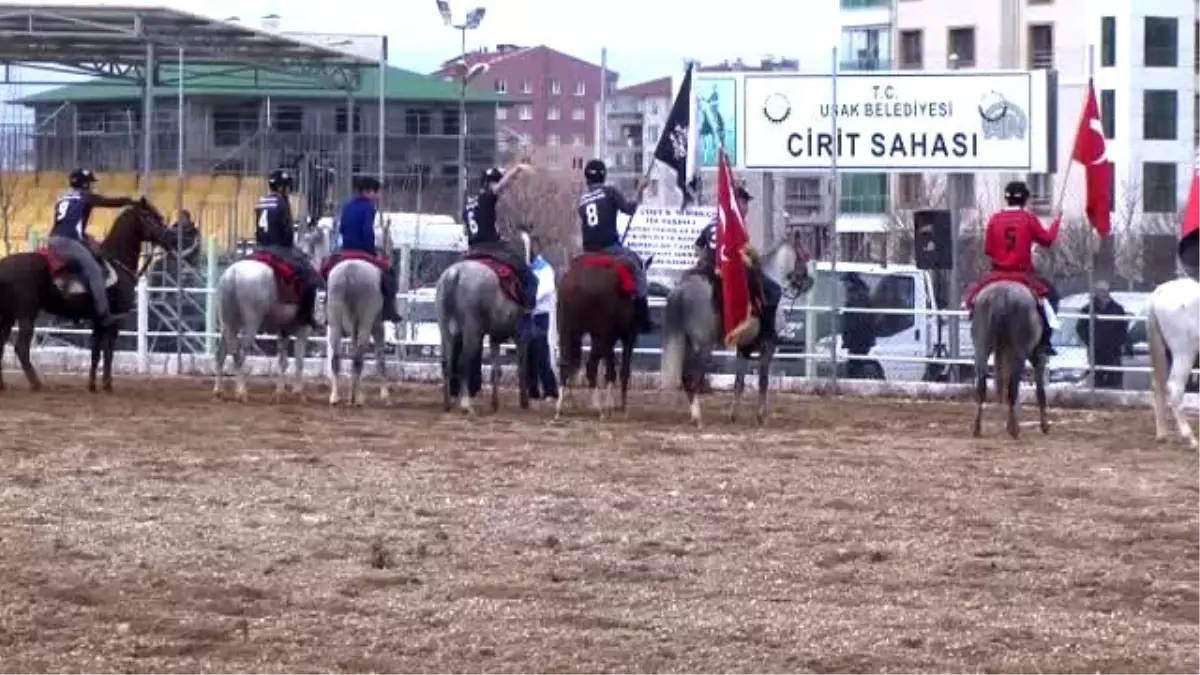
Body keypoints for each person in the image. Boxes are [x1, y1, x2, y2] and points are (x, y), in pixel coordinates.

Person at [46, 167, 138, 326]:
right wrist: (127, 201)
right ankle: (104, 314)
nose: (91, 186)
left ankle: (75, 302)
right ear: (84, 184)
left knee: (86, 258)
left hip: (53, 239)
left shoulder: (62, 199)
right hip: (69, 241)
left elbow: (65, 224)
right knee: (94, 270)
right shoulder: (85, 197)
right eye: (89, 183)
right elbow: (108, 202)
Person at [981, 180, 1063, 356]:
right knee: (1052, 297)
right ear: (1025, 200)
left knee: (974, 301)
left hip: (996, 274)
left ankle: (979, 336)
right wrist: (1056, 221)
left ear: (1006, 199)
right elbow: (1048, 240)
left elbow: (988, 250)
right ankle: (1044, 342)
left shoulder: (994, 219)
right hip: (1022, 275)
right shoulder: (1028, 219)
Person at [693, 183, 782, 342]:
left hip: (709, 268)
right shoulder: (736, 223)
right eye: (744, 202)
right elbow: (741, 251)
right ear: (736, 203)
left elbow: (697, 246)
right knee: (774, 290)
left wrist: (705, 260)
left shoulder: (715, 219)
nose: (746, 207)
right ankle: (766, 332)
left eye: (746, 203)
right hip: (730, 268)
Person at [577, 159, 652, 333]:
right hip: (610, 248)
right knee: (638, 265)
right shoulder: (609, 192)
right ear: (604, 176)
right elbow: (629, 209)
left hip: (588, 252)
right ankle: (643, 318)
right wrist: (639, 190)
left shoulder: (582, 200)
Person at [462, 165, 538, 331]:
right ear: (489, 184)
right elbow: (501, 186)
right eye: (495, 183)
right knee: (528, 275)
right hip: (490, 248)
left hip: (471, 250)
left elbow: (469, 229)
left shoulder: (468, 203)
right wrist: (517, 169)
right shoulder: (488, 196)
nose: (502, 191)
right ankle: (527, 313)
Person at [254, 168, 322, 331]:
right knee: (311, 277)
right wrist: (291, 246)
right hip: (278, 249)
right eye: (287, 187)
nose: (288, 190)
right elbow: (286, 230)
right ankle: (306, 316)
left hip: (260, 247)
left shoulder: (261, 201)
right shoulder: (282, 202)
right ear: (282, 187)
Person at [337, 175, 401, 322]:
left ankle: (328, 306)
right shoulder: (369, 208)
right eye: (376, 192)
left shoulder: (347, 206)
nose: (377, 196)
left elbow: (342, 229)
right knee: (389, 274)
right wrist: (370, 251)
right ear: (368, 191)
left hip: (345, 251)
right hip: (362, 252)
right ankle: (389, 309)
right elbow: (367, 231)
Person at [1075, 280, 1129, 390]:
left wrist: (1118, 342)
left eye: (1105, 291)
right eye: (1099, 291)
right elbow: (1080, 327)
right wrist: (1090, 341)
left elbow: (1123, 329)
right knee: (1098, 377)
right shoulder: (1088, 309)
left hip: (1113, 351)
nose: (1102, 293)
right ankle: (1096, 398)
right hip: (1096, 350)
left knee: (1114, 378)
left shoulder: (1118, 309)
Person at [525, 237, 559, 402]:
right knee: (528, 353)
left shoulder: (545, 269)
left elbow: (545, 289)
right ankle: (532, 389)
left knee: (541, 352)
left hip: (539, 315)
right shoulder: (525, 268)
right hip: (527, 314)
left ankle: (550, 389)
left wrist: (528, 301)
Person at [841, 273, 877, 378]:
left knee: (854, 365)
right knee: (856, 362)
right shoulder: (861, 293)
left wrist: (848, 335)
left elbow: (855, 319)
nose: (844, 285)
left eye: (845, 283)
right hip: (861, 338)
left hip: (858, 338)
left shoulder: (856, 296)